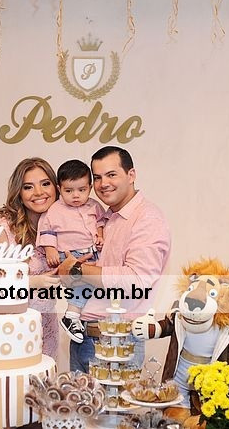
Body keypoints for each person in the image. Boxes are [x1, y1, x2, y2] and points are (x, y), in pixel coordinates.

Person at [57, 146, 171, 373]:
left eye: (111, 175)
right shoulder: (105, 217)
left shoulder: (147, 218)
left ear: (131, 175)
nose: (103, 184)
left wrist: (77, 269)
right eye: (97, 177)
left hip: (117, 340)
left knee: (112, 399)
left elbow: (137, 280)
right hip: (84, 335)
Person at [0, 157, 61, 359]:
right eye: (28, 187)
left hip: (47, 327)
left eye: (45, 184)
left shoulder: (61, 228)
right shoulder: (2, 230)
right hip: (10, 329)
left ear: (56, 188)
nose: (38, 192)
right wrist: (32, 282)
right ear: (19, 193)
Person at [36, 159, 105, 344]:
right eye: (69, 191)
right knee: (84, 281)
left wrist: (100, 235)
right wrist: (50, 249)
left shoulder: (94, 206)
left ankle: (80, 316)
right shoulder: (54, 210)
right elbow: (47, 231)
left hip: (92, 252)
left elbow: (101, 222)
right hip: (68, 255)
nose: (76, 195)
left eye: (82, 190)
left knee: (100, 281)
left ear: (90, 188)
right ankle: (72, 315)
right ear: (59, 189)